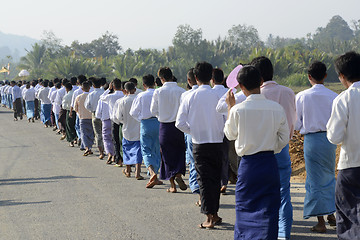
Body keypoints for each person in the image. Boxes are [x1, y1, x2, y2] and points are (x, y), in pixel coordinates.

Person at [224, 65, 289, 239]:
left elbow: (230, 134)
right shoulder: (276, 108)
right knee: (269, 209)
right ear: (261, 82)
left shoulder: (238, 110)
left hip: (248, 165)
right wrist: (271, 147)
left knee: (245, 207)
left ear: (241, 86)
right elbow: (284, 139)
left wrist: (230, 107)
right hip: (269, 163)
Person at [176, 62, 224, 229]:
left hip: (199, 143)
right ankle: (215, 214)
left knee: (203, 180)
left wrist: (193, 131)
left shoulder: (189, 96)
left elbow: (180, 123)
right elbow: (226, 120)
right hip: (217, 143)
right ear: (211, 77)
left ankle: (209, 218)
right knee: (215, 180)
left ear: (195, 78)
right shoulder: (219, 95)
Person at [252, 56, 295, 240]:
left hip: (260, 151)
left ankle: (265, 231)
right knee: (284, 193)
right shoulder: (288, 92)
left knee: (261, 193)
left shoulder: (253, 96)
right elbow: (292, 121)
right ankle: (284, 233)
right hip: (282, 147)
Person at [295, 61, 337, 233]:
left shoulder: (302, 96)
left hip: (311, 141)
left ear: (309, 77)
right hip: (329, 140)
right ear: (325, 76)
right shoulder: (334, 96)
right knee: (328, 177)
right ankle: (331, 214)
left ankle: (321, 222)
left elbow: (297, 124)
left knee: (314, 181)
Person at [326, 51, 360, 239]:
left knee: (349, 218)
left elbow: (334, 137)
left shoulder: (344, 98)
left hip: (352, 166)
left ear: (342, 76)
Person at [151, 67, 186, 193]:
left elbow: (153, 110)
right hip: (178, 126)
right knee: (179, 151)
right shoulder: (181, 91)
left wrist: (161, 116)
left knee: (166, 154)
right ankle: (178, 174)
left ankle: (172, 185)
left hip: (165, 126)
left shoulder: (158, 92)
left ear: (162, 79)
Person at [130, 74, 163, 188]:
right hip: (158, 122)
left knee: (146, 149)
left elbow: (133, 112)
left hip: (146, 123)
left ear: (143, 85)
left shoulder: (140, 96)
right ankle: (155, 175)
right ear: (154, 83)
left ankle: (152, 173)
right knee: (157, 149)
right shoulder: (159, 93)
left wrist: (141, 119)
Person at [114, 82, 144, 180]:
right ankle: (137, 172)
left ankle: (127, 170)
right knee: (138, 150)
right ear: (135, 89)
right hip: (138, 128)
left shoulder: (121, 101)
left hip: (126, 128)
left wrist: (124, 121)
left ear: (125, 90)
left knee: (126, 149)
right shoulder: (138, 99)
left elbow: (118, 117)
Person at [179, 68, 201, 204]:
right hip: (210, 135)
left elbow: (180, 122)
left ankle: (197, 189)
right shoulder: (214, 94)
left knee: (193, 161)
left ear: (189, 80)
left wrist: (190, 131)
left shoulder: (186, 95)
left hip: (191, 133)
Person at [211, 68, 230, 195]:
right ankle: (224, 182)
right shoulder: (229, 92)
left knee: (213, 158)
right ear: (223, 80)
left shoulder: (209, 93)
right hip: (227, 130)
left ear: (211, 80)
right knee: (225, 157)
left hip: (213, 130)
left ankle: (216, 182)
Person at [100, 78, 124, 166]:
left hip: (114, 120)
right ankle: (126, 159)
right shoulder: (124, 95)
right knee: (124, 140)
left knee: (116, 140)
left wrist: (108, 90)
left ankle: (118, 160)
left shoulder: (110, 96)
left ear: (113, 86)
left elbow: (101, 97)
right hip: (124, 121)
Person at [85, 77, 105, 159]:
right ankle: (108, 151)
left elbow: (87, 105)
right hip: (105, 115)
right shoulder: (104, 93)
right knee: (106, 133)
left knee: (98, 134)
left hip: (95, 114)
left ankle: (101, 152)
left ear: (93, 85)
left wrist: (92, 110)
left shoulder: (91, 94)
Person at [74, 81, 94, 156]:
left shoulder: (79, 97)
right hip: (91, 117)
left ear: (82, 88)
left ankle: (87, 147)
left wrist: (79, 113)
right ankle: (89, 146)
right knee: (91, 133)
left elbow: (75, 108)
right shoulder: (92, 96)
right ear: (89, 88)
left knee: (84, 133)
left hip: (82, 117)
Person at [63, 82, 77, 147]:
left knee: (69, 126)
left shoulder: (66, 96)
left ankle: (71, 141)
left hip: (69, 111)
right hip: (76, 111)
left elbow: (64, 106)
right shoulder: (75, 94)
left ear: (66, 88)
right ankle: (76, 138)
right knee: (75, 125)